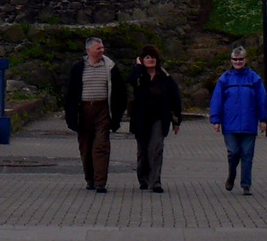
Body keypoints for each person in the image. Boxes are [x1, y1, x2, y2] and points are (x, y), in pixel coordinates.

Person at [64, 37, 128, 193]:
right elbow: (69, 93)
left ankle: (101, 182)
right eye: (98, 48)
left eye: (102, 48)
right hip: (83, 111)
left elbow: (120, 92)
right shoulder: (78, 67)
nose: (102, 51)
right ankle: (90, 179)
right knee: (86, 149)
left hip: (103, 111)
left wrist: (117, 114)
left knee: (101, 146)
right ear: (88, 50)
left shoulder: (110, 68)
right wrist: (71, 114)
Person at [209, 45, 267, 195]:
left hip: (249, 123)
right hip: (230, 124)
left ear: (245, 60)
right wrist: (216, 120)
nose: (238, 62)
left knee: (247, 154)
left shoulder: (254, 78)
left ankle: (246, 184)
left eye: (240, 59)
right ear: (231, 60)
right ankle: (232, 174)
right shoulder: (225, 79)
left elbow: (262, 100)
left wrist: (264, 120)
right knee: (233, 152)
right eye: (235, 59)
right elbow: (217, 100)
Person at [129, 45, 182, 192]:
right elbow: (131, 79)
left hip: (159, 117)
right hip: (141, 118)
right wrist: (139, 67)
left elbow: (175, 98)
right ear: (142, 60)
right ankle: (143, 178)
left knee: (156, 148)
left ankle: (155, 181)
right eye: (147, 57)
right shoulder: (139, 76)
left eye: (153, 57)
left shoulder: (164, 77)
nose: (150, 60)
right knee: (143, 152)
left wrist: (177, 120)